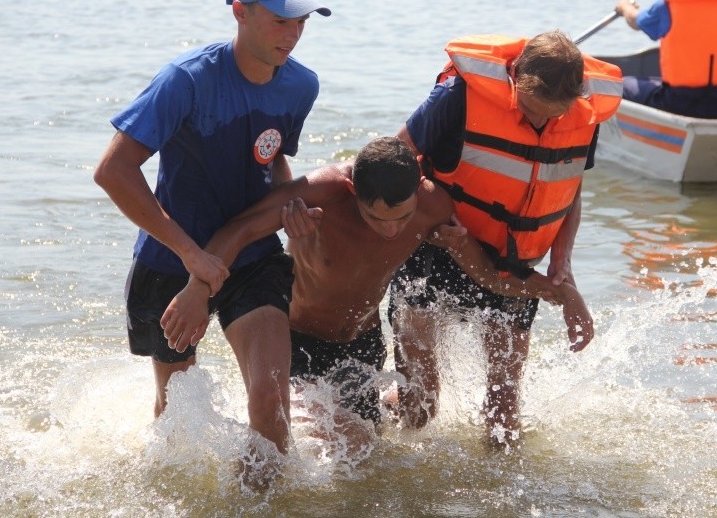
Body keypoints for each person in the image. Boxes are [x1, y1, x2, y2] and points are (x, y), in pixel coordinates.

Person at [159, 137, 587, 458]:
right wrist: (199, 289)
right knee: (347, 443)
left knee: (383, 442)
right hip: (300, 342)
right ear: (353, 192)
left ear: (418, 190)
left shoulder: (433, 204)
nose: (390, 230)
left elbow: (489, 275)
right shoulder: (325, 192)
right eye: (374, 218)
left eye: (400, 219)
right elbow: (238, 230)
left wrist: (559, 291)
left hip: (363, 345)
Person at [92, 0, 330, 474]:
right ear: (240, 13)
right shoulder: (186, 80)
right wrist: (191, 255)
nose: (293, 35)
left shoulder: (301, 85)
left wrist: (291, 210)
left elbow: (272, 157)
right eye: (281, 20)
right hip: (171, 260)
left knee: (272, 406)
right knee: (177, 417)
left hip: (253, 257)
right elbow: (113, 171)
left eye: (302, 21)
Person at [387, 30, 622, 446]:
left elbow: (567, 188)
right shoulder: (456, 96)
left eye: (552, 117)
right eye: (532, 111)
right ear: (516, 80)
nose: (540, 124)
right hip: (435, 249)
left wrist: (562, 267)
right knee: (420, 406)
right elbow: (394, 159)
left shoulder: (584, 116)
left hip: (513, 265)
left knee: (504, 412)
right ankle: (376, 413)